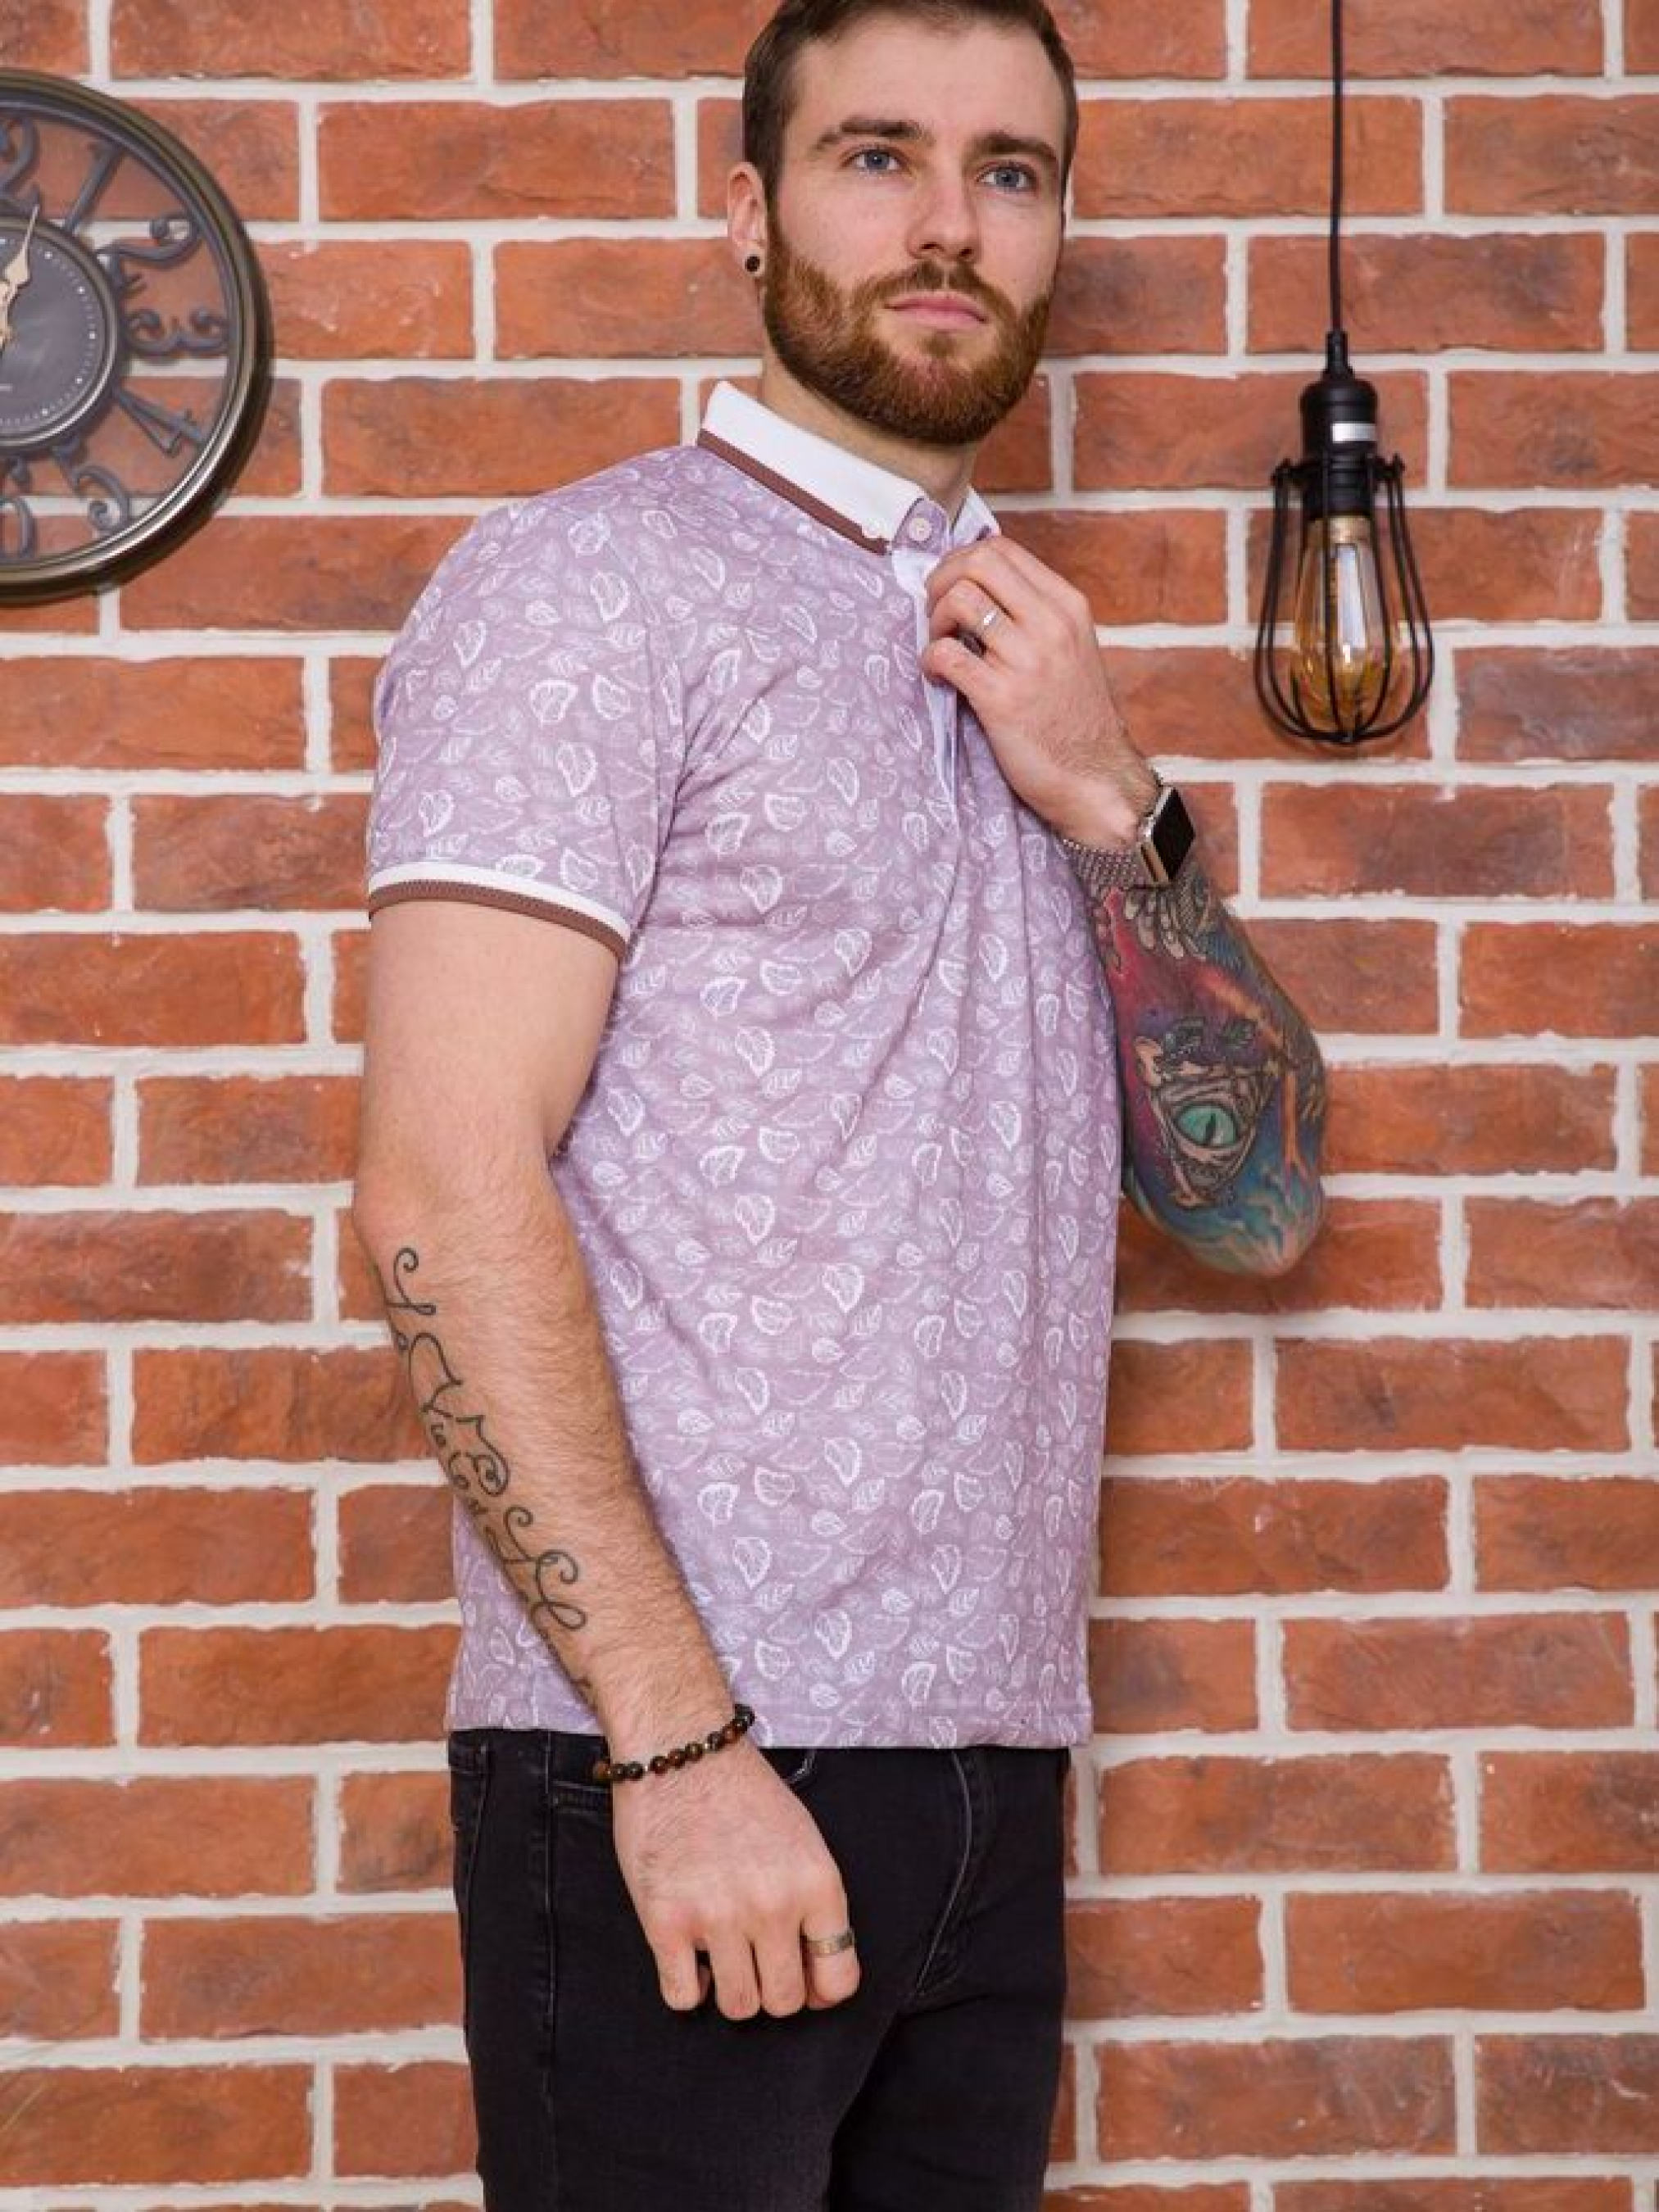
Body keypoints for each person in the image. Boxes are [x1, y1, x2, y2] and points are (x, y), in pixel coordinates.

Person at [349, 2, 1327, 2205]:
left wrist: (1116, 798)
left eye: (1011, 171)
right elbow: (437, 1177)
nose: (949, 225)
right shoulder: (590, 586)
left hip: (989, 1755)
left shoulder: (1032, 663)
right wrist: (675, 1741)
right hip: (691, 1754)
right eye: (878, 157)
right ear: (747, 212)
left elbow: (1259, 1208)